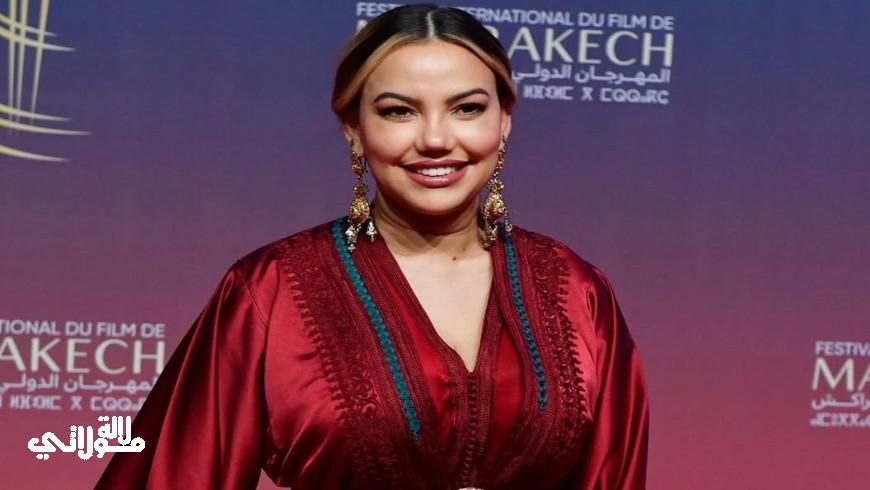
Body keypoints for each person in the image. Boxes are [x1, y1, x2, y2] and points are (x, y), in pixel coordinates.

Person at [96, 5, 648, 489]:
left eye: (467, 108)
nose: (436, 139)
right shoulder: (271, 289)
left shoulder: (576, 291)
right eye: (398, 111)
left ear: (504, 120)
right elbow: (175, 473)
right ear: (353, 127)